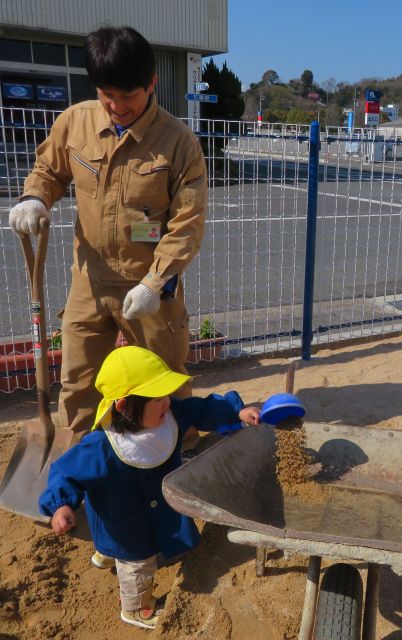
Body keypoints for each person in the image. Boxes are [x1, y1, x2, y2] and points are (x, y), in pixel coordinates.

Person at [8, 26, 207, 435]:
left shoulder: (179, 144)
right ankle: (83, 464)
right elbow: (49, 170)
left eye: (127, 96)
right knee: (79, 382)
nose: (116, 106)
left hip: (149, 287)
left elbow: (187, 224)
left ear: (151, 84)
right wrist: (35, 197)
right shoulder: (75, 124)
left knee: (162, 381)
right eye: (106, 94)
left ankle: (179, 460)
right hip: (90, 281)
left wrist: (155, 283)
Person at [39, 346, 261, 630]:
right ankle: (135, 609)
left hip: (153, 507)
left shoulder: (167, 417)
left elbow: (201, 408)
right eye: (158, 399)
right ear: (123, 406)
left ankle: (106, 554)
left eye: (167, 394)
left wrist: (236, 411)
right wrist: (61, 505)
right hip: (124, 523)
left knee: (140, 541)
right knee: (137, 567)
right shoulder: (101, 448)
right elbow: (65, 471)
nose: (167, 402)